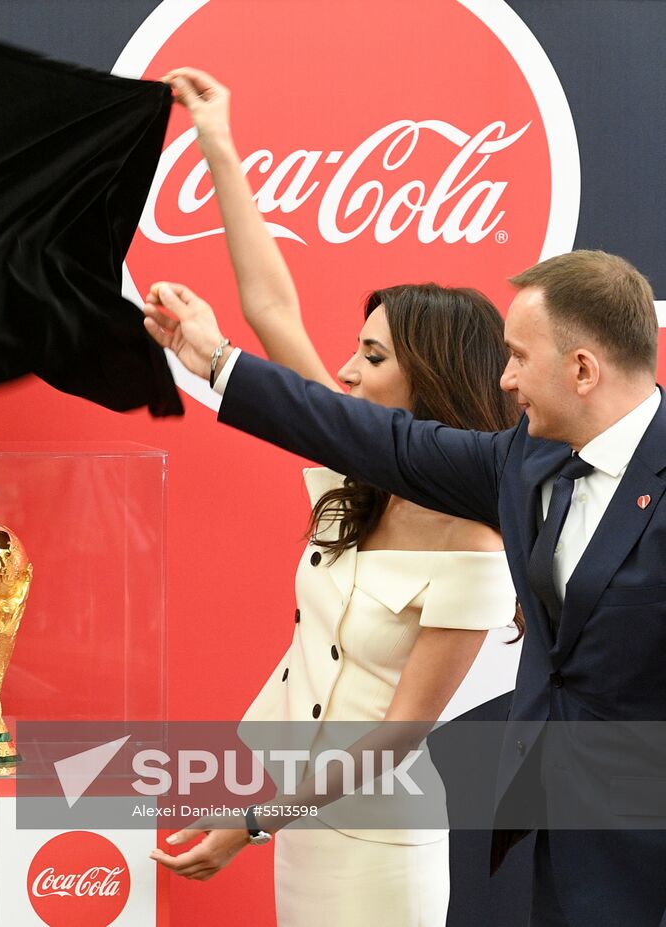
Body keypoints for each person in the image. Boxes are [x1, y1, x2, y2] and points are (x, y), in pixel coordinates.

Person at [143, 242, 666, 925]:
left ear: (583, 369)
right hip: (566, 843)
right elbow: (375, 438)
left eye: (519, 356)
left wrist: (256, 820)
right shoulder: (523, 462)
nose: (506, 378)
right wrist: (217, 361)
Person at [146, 70, 521, 926]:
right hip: (300, 826)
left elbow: (397, 737)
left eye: (373, 357)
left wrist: (251, 824)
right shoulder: (353, 483)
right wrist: (217, 140)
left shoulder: (476, 544)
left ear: (433, 381)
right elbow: (271, 307)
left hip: (379, 849)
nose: (345, 371)